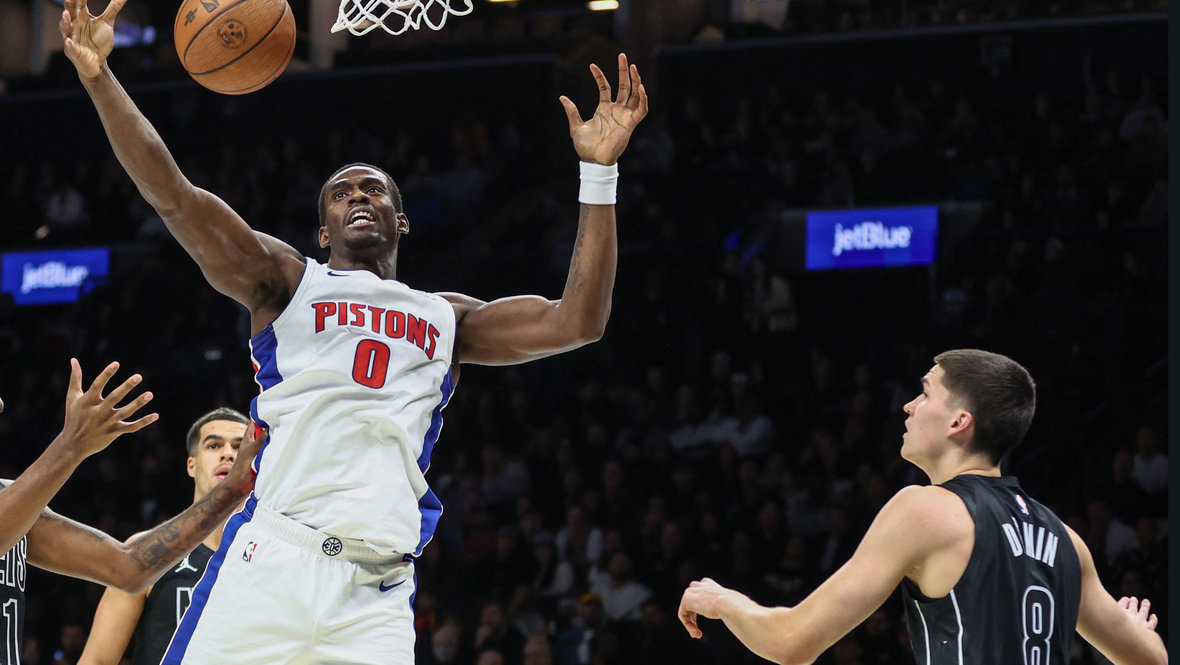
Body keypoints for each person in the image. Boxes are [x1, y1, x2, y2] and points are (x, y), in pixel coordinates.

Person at [61, 0, 647, 660]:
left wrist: (600, 172)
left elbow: (579, 320)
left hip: (375, 592)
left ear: (402, 221)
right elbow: (175, 195)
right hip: (271, 561)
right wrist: (99, 77)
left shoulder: (448, 317)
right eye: (341, 195)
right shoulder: (286, 283)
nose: (358, 197)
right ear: (323, 232)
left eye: (373, 190)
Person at [678, 349, 1168, 665]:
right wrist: (1132, 628)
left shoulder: (925, 511)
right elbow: (1150, 659)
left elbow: (792, 643)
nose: (909, 406)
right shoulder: (1065, 538)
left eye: (925, 392)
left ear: (959, 421)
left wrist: (722, 601)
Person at [0, 361, 262, 665]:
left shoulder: (13, 499)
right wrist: (71, 445)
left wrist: (232, 488)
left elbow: (127, 567)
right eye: (214, 446)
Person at [77, 408, 251, 665]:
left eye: (238, 447)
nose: (227, 453)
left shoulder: (276, 555)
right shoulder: (147, 551)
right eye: (214, 445)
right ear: (191, 465)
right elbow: (97, 660)